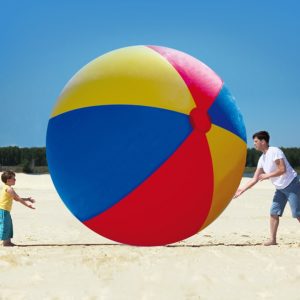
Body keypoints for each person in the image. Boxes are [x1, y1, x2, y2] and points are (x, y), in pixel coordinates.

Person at [234, 131, 300, 246]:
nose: (254, 144)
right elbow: (255, 178)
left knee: (297, 213)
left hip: (292, 184)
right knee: (274, 212)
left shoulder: (274, 151)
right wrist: (241, 190)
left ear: (263, 142)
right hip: (280, 188)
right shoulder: (262, 159)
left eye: (256, 141)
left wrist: (267, 175)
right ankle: (273, 240)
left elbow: (282, 169)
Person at [0, 170, 35, 247]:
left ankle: (8, 242)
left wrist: (27, 199)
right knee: (5, 225)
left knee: (8, 225)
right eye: (14, 178)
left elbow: (15, 198)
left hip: (5, 210)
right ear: (8, 180)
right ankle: (6, 243)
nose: (15, 180)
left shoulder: (7, 187)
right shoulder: (9, 189)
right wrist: (28, 205)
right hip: (3, 210)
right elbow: (18, 198)